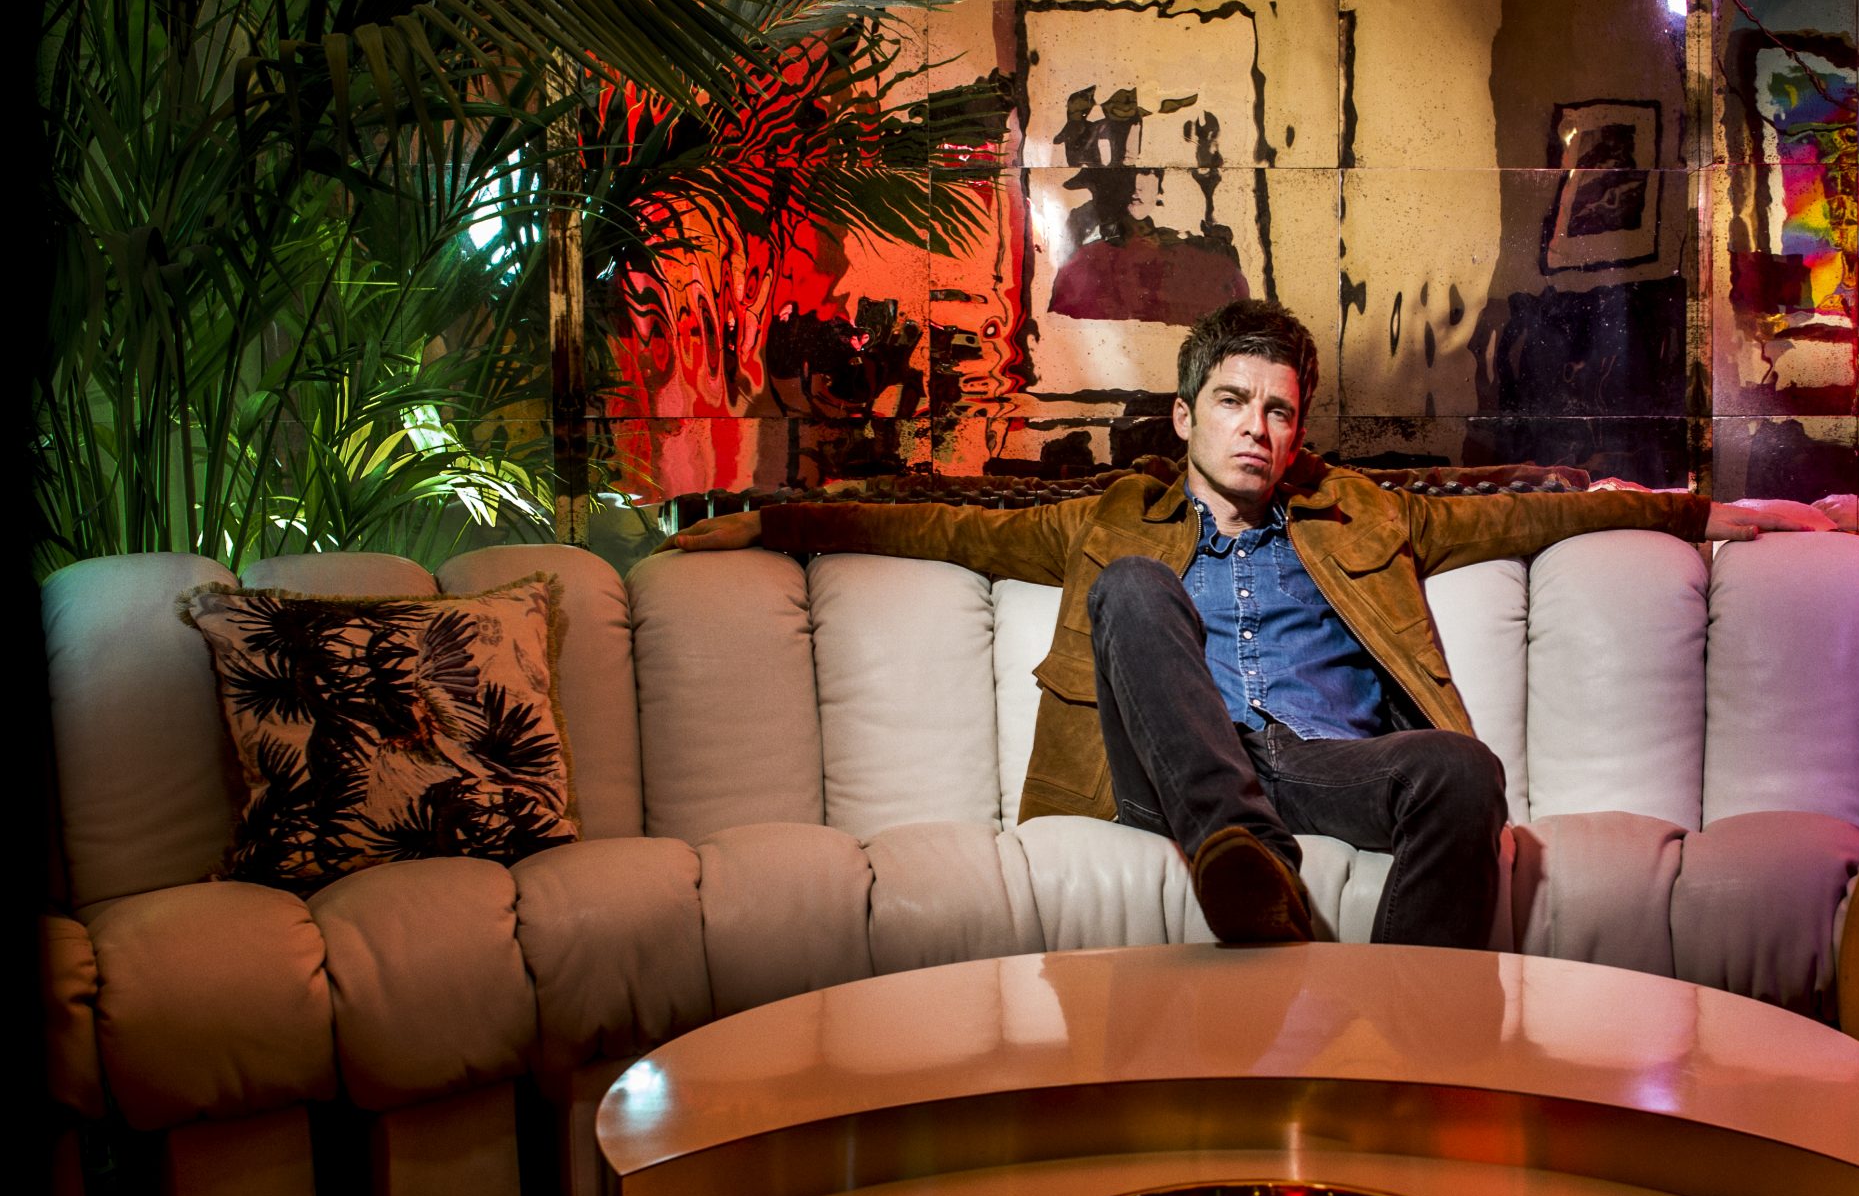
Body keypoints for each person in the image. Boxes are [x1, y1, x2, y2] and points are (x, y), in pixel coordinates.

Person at [665, 300, 1798, 950]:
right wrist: (771, 522)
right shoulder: (1111, 518)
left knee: (1462, 772)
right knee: (1131, 590)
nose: (1256, 426)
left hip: (1320, 766)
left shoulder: (1366, 512)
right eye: (1232, 401)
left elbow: (1527, 510)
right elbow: (942, 524)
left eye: (1278, 410)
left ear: (1297, 430)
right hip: (1172, 775)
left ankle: (1407, 1048)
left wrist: (1705, 513)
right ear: (1183, 416)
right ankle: (1237, 861)